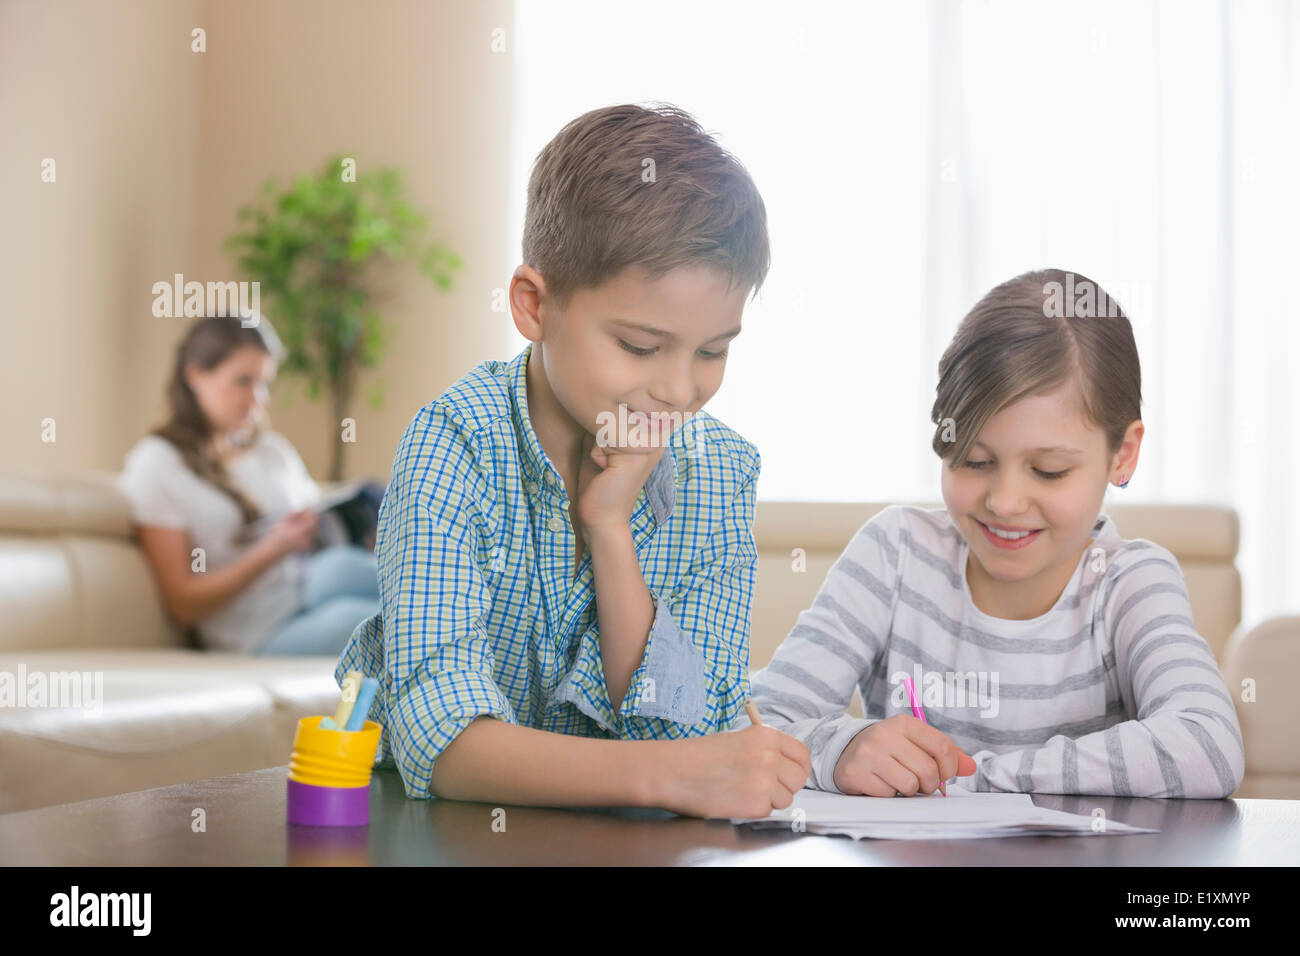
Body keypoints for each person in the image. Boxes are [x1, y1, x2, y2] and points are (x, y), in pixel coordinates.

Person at [336, 103, 811, 818]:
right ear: (534, 305)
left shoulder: (719, 472)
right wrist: (670, 775)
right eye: (642, 347)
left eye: (714, 351)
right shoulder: (452, 443)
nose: (681, 391)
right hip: (438, 835)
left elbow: (680, 725)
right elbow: (441, 739)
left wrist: (610, 529)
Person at [750, 268, 1246, 799]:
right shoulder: (895, 553)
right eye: (975, 460)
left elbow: (1207, 744)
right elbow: (754, 726)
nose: (1004, 502)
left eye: (1049, 470)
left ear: (1121, 455)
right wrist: (843, 749)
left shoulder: (1129, 582)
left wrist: (974, 777)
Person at [118, 313, 380, 656]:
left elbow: (318, 519)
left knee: (361, 570)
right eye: (243, 382)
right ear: (196, 375)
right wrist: (270, 552)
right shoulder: (158, 465)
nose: (258, 398)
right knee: (370, 622)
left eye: (264, 384)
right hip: (261, 629)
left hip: (309, 581)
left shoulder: (271, 450)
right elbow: (183, 604)